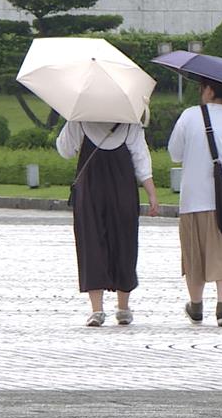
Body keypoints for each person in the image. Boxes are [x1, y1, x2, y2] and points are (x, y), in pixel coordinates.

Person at [168, 80, 222, 327]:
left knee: (194, 256)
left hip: (194, 198)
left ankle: (196, 305)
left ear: (209, 90)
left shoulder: (189, 116)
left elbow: (174, 152)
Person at [57, 120, 159, 327]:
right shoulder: (130, 123)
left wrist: (70, 121)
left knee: (91, 244)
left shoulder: (80, 120)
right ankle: (123, 307)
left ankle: (97, 310)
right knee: (125, 243)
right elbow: (141, 159)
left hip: (90, 190)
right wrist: (151, 193)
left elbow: (65, 150)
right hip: (123, 189)